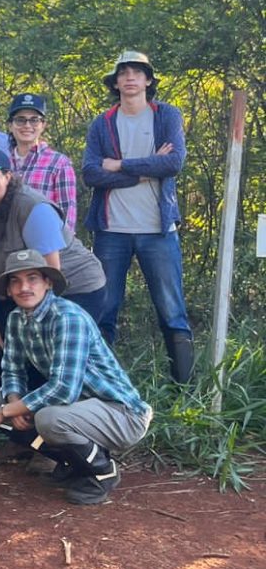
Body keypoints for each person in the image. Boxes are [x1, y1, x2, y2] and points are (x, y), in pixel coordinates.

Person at [0, 249, 152, 505]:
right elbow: (12, 370)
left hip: (122, 413)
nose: (24, 287)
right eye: (16, 280)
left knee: (46, 418)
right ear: (9, 289)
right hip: (79, 409)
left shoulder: (68, 317)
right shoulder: (16, 319)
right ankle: (73, 463)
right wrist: (13, 403)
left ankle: (103, 472)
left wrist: (6, 412)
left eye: (32, 278)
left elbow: (64, 388)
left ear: (47, 282)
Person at [82, 51, 193, 384]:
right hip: (110, 231)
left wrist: (120, 164)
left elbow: (173, 164)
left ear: (148, 80)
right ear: (115, 82)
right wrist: (146, 169)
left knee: (172, 312)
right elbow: (90, 173)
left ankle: (186, 394)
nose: (130, 77)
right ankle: (103, 389)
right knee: (103, 312)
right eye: (123, 73)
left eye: (137, 72)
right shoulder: (102, 123)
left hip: (158, 230)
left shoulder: (166, 116)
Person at [0, 146, 106, 391]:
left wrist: (35, 331)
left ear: (7, 176)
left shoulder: (33, 208)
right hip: (19, 288)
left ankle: (75, 417)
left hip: (71, 287)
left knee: (53, 357)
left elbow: (51, 276)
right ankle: (13, 419)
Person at [7, 93, 77, 230]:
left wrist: (63, 248)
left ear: (43, 125)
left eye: (34, 120)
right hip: (8, 242)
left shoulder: (59, 163)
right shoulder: (2, 163)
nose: (27, 125)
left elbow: (68, 213)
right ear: (10, 125)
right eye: (20, 120)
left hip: (46, 242)